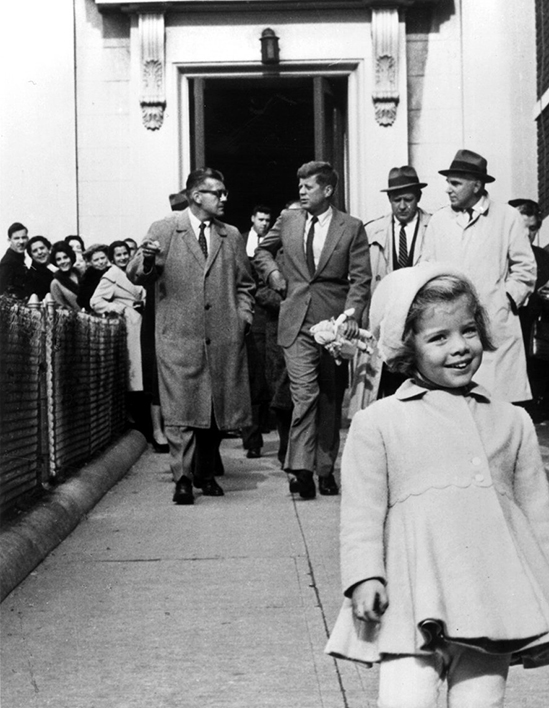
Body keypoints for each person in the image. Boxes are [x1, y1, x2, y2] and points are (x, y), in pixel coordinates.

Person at [325, 264, 549, 708]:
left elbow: (536, 508)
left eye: (468, 331)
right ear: (407, 345)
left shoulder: (510, 420)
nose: (459, 346)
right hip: (412, 583)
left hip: (492, 585)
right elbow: (361, 510)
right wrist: (365, 573)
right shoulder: (378, 422)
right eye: (438, 337)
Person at [128, 167, 256, 505]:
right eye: (218, 193)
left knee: (216, 409)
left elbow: (246, 284)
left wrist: (242, 317)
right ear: (197, 196)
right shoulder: (166, 229)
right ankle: (182, 479)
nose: (224, 198)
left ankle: (204, 473)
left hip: (223, 337)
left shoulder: (231, 235)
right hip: (178, 337)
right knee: (181, 410)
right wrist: (147, 258)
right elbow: (137, 274)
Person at [254, 160, 371, 499]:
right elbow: (262, 250)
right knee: (304, 394)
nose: (301, 191)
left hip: (333, 324)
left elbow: (361, 278)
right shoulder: (288, 220)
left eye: (309, 186)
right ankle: (301, 470)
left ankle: (325, 469)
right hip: (295, 321)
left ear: (328, 190)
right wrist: (274, 275)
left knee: (330, 397)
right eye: (300, 185)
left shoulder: (351, 227)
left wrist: (350, 315)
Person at [422, 150, 536, 403]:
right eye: (448, 183)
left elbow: (525, 267)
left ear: (477, 185)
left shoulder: (507, 217)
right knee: (455, 402)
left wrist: (506, 299)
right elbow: (426, 267)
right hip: (450, 320)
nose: (448, 190)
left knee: (496, 404)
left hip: (495, 323)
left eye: (456, 183)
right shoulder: (439, 221)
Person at [350, 165, 431, 413]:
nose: (403, 206)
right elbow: (360, 278)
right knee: (382, 386)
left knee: (420, 382)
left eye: (408, 199)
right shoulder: (371, 231)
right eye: (397, 200)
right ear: (389, 200)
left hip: (419, 317)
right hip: (383, 320)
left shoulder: (434, 226)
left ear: (418, 197)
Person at [509, 198, 549, 423]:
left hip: (534, 347)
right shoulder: (498, 256)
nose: (527, 235)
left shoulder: (542, 257)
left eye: (533, 228)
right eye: (521, 228)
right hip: (506, 343)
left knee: (538, 416)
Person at [90, 241, 146, 393]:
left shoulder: (136, 272)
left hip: (142, 321)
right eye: (118, 255)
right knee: (132, 368)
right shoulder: (111, 276)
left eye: (125, 254)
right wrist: (118, 308)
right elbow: (95, 301)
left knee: (143, 367)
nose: (123, 258)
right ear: (112, 259)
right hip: (127, 326)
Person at [241, 204, 273, 459]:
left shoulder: (273, 243)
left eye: (267, 220)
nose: (264, 223)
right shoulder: (239, 241)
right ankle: (251, 439)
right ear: (252, 219)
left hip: (267, 317)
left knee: (265, 375)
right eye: (260, 219)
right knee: (250, 378)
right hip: (245, 317)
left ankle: (262, 427)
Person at [0, 222, 30, 301]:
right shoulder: (8, 262)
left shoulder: (19, 258)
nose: (21, 242)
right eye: (16, 238)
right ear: (9, 240)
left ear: (28, 239)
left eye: (24, 237)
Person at [49, 241, 81, 310]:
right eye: (58, 259)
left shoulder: (81, 274)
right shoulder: (55, 283)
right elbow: (60, 309)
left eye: (65, 257)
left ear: (71, 257)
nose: (63, 261)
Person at [78, 244, 110, 310]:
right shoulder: (87, 279)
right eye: (96, 260)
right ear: (90, 262)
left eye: (103, 258)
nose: (101, 262)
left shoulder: (111, 272)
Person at [25, 235, 54, 300]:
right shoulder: (31, 276)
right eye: (35, 251)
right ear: (31, 255)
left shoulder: (57, 265)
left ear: (48, 249)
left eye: (42, 248)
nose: (40, 252)